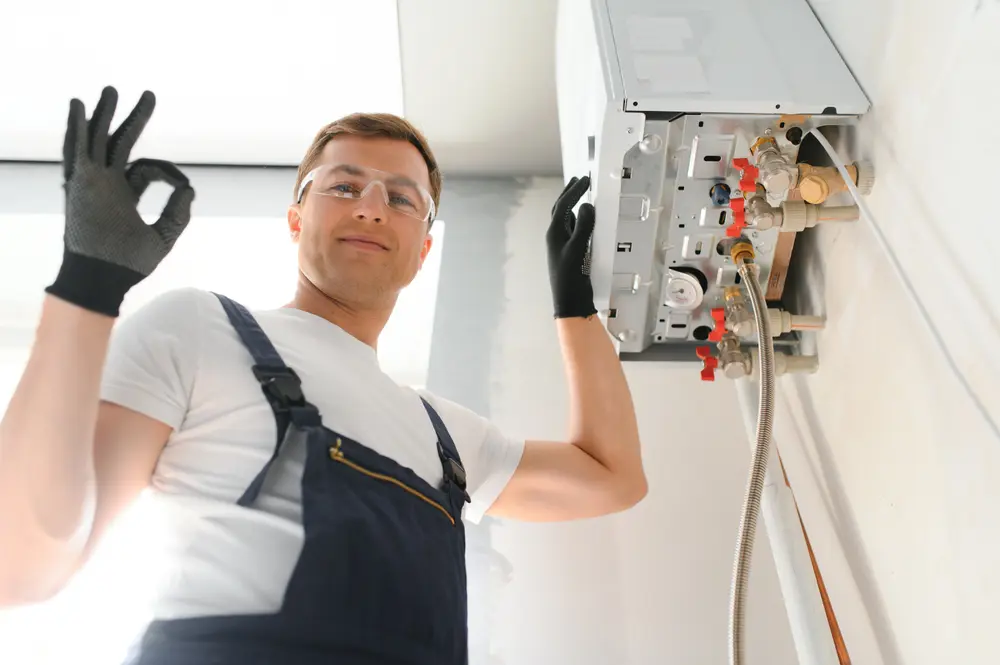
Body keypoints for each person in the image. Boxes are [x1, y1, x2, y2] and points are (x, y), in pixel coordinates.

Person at [0, 86, 647, 664]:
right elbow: (22, 565)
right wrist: (88, 284)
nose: (371, 206)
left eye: (401, 198)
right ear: (295, 219)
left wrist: (574, 308)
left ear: (423, 250)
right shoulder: (198, 331)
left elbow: (611, 475)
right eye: (343, 186)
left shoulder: (446, 435)